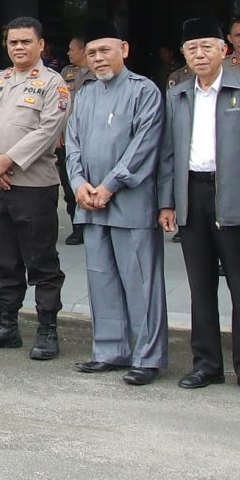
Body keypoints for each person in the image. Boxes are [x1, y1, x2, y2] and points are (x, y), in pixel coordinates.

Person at [157, 17, 240, 398]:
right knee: (200, 287)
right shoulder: (177, 94)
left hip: (235, 198)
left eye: (207, 46)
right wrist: (167, 202)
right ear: (184, 54)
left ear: (223, 49)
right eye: (192, 48)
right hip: (192, 194)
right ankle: (206, 364)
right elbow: (168, 153)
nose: (200, 54)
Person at [66, 23, 167, 385]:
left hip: (129, 202)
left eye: (104, 50)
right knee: (101, 279)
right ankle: (110, 350)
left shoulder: (145, 91)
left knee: (140, 281)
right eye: (91, 53)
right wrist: (78, 184)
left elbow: (144, 146)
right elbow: (72, 142)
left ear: (123, 49)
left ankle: (147, 356)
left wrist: (109, 185)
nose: (98, 58)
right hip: (90, 203)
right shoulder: (86, 93)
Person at [0, 16, 73, 360]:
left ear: (41, 45)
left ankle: (46, 330)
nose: (19, 47)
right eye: (13, 42)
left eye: (26, 41)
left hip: (33, 186)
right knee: (3, 258)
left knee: (41, 260)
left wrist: (7, 160)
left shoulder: (53, 84)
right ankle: (7, 325)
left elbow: (47, 132)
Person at [58, 36, 89, 245]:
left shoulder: (98, 73)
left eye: (71, 49)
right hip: (67, 139)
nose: (68, 53)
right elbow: (58, 104)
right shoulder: (66, 73)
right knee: (69, 185)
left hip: (90, 139)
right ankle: (77, 226)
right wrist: (58, 132)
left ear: (84, 50)